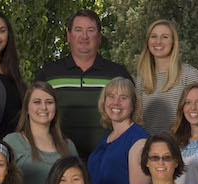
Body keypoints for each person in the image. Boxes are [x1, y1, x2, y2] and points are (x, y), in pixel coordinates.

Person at [35, 9, 131, 160]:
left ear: (99, 37)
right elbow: (33, 118)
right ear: (69, 36)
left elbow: (132, 118)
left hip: (108, 159)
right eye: (78, 30)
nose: (84, 36)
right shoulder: (49, 74)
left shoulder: (118, 74)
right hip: (59, 161)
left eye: (90, 30)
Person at [135, 20, 198, 134]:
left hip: (181, 147)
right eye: (154, 36)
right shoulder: (142, 79)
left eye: (165, 37)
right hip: (150, 147)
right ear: (147, 42)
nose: (158, 41)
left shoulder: (189, 75)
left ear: (173, 42)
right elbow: (137, 119)